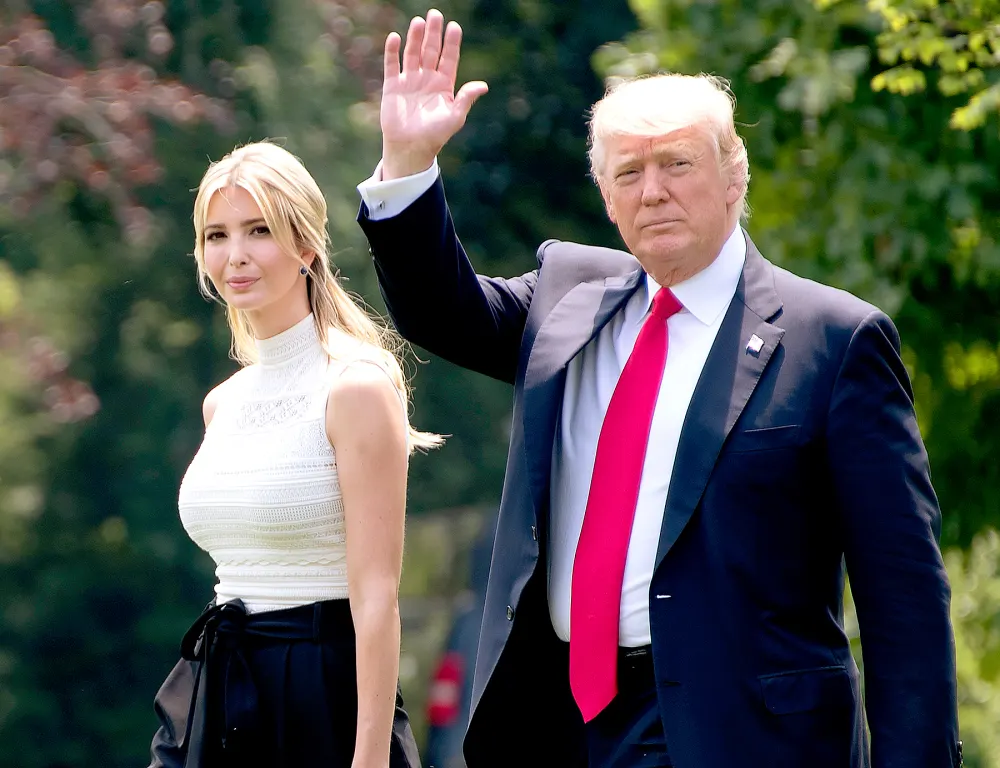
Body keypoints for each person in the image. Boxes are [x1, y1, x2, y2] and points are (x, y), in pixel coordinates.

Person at [354, 9, 962, 768]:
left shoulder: (834, 340)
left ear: (735, 175)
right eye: (628, 174)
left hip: (744, 735)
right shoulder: (567, 297)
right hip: (560, 728)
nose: (653, 192)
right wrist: (410, 164)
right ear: (606, 198)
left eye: (677, 164)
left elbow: (903, 599)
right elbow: (441, 311)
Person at [145, 140, 434, 768]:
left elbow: (377, 596)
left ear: (305, 246)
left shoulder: (354, 388)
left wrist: (369, 757)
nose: (236, 254)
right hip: (221, 682)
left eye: (259, 230)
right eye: (217, 236)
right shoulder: (221, 403)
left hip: (322, 689)